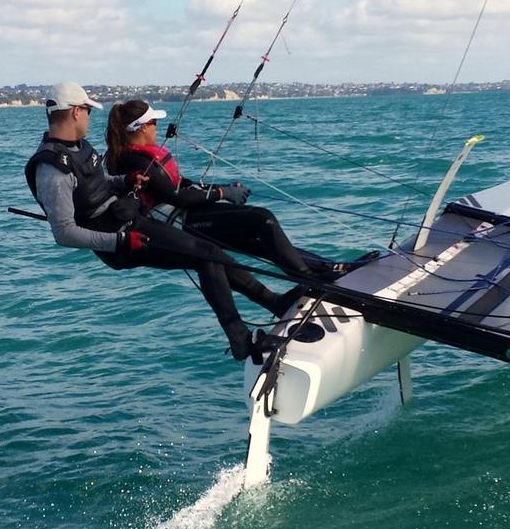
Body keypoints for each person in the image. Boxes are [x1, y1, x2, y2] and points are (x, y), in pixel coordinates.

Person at [24, 82, 301, 361]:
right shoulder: (51, 169)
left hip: (129, 219)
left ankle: (274, 303)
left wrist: (124, 181)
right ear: (75, 112)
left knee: (210, 253)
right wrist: (120, 241)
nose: (88, 117)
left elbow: (99, 183)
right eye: (87, 111)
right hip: (119, 240)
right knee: (204, 255)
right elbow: (64, 233)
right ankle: (241, 339)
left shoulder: (79, 147)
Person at [103, 99, 346, 280]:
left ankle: (326, 268)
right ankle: (310, 278)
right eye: (154, 122)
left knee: (256, 237)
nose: (157, 127)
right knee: (263, 219)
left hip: (186, 215)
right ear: (142, 127)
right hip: (179, 224)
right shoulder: (136, 161)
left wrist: (222, 188)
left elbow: (182, 184)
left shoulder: (141, 158)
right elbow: (178, 197)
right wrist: (223, 194)